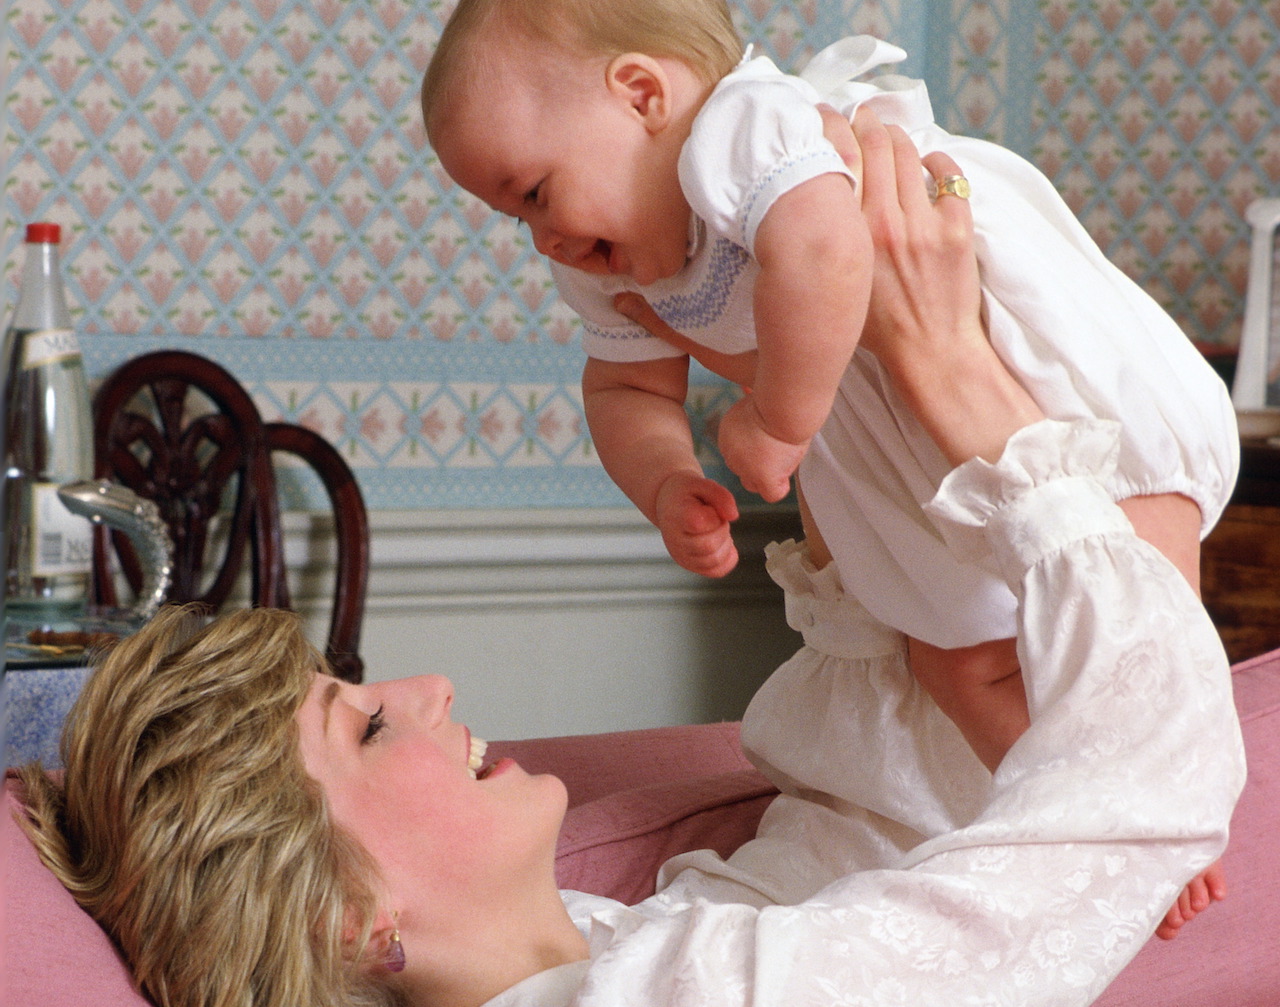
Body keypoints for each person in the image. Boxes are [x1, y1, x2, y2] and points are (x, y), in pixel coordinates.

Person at [15, 115, 1245, 1007]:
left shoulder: (617, 940)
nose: (430, 689)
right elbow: (1137, 805)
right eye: (370, 728)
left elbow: (879, 833)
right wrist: (976, 408)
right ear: (351, 918)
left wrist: (855, 491)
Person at [419, 0, 1238, 784]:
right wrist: (665, 479)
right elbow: (625, 387)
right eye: (514, 220)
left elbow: (826, 254)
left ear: (642, 96)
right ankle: (1081, 813)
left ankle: (1174, 781)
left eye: (534, 193)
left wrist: (777, 420)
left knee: (1130, 558)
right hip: (884, 429)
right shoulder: (606, 263)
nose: (545, 239)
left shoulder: (737, 132)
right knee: (951, 655)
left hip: (1003, 346)